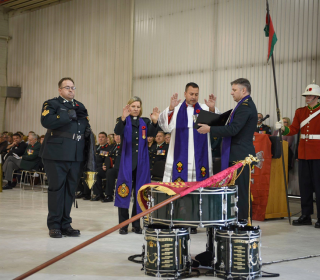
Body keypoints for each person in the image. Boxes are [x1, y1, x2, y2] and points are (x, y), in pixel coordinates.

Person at [197, 78, 257, 222]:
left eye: (234, 90)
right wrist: (212, 111)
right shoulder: (242, 105)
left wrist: (210, 129)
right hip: (237, 153)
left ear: (244, 90)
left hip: (241, 155)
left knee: (241, 191)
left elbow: (233, 129)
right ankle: (237, 219)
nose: (231, 93)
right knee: (235, 190)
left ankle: (243, 222)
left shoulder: (245, 107)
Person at [39, 77, 91, 238]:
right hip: (56, 154)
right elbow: (46, 121)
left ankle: (65, 223)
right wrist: (68, 115)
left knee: (70, 190)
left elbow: (85, 127)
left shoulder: (80, 106)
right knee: (57, 189)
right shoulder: (52, 104)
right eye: (67, 87)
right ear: (60, 90)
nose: (71, 90)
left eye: (73, 87)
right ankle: (54, 224)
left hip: (75, 155)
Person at [276, 83, 320, 228]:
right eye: (306, 95)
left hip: (318, 153)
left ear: (316, 96)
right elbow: (293, 129)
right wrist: (283, 128)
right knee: (305, 185)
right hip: (304, 152)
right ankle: (306, 215)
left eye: (309, 95)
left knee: (318, 186)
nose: (307, 98)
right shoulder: (300, 112)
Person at [114, 96, 159, 234]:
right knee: (124, 191)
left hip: (141, 163)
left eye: (138, 107)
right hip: (126, 162)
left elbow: (152, 133)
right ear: (128, 107)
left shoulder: (144, 121)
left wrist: (155, 122)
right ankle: (123, 224)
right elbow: (117, 131)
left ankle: (136, 224)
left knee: (139, 193)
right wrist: (122, 118)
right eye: (133, 106)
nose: (135, 109)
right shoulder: (122, 120)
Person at [91, 132, 112, 201]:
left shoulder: (108, 148)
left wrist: (102, 166)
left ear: (106, 138)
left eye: (102, 137)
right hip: (95, 166)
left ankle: (99, 194)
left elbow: (106, 160)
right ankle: (86, 193)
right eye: (99, 137)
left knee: (96, 172)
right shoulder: (96, 147)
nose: (100, 138)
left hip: (103, 168)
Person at [101, 134, 122, 203]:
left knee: (111, 172)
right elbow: (107, 158)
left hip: (121, 168)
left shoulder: (124, 146)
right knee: (109, 172)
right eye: (116, 135)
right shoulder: (113, 146)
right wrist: (104, 165)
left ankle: (120, 194)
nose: (117, 137)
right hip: (113, 168)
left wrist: (116, 165)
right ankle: (108, 195)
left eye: (119, 135)